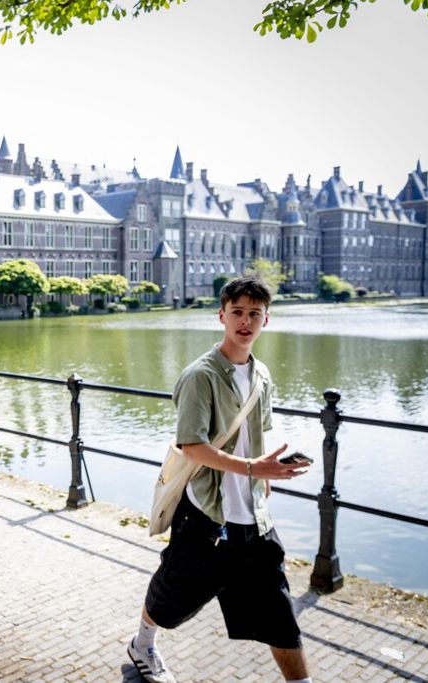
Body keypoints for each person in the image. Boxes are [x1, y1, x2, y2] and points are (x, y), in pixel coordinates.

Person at [127, 275, 313, 683]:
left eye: (254, 314)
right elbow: (191, 446)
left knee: (280, 616)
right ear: (221, 316)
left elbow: (261, 431)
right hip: (207, 517)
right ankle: (142, 644)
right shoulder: (201, 376)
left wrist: (268, 473)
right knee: (172, 598)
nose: (245, 322)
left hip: (255, 522)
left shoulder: (261, 375)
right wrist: (252, 469)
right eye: (237, 313)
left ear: (267, 320)